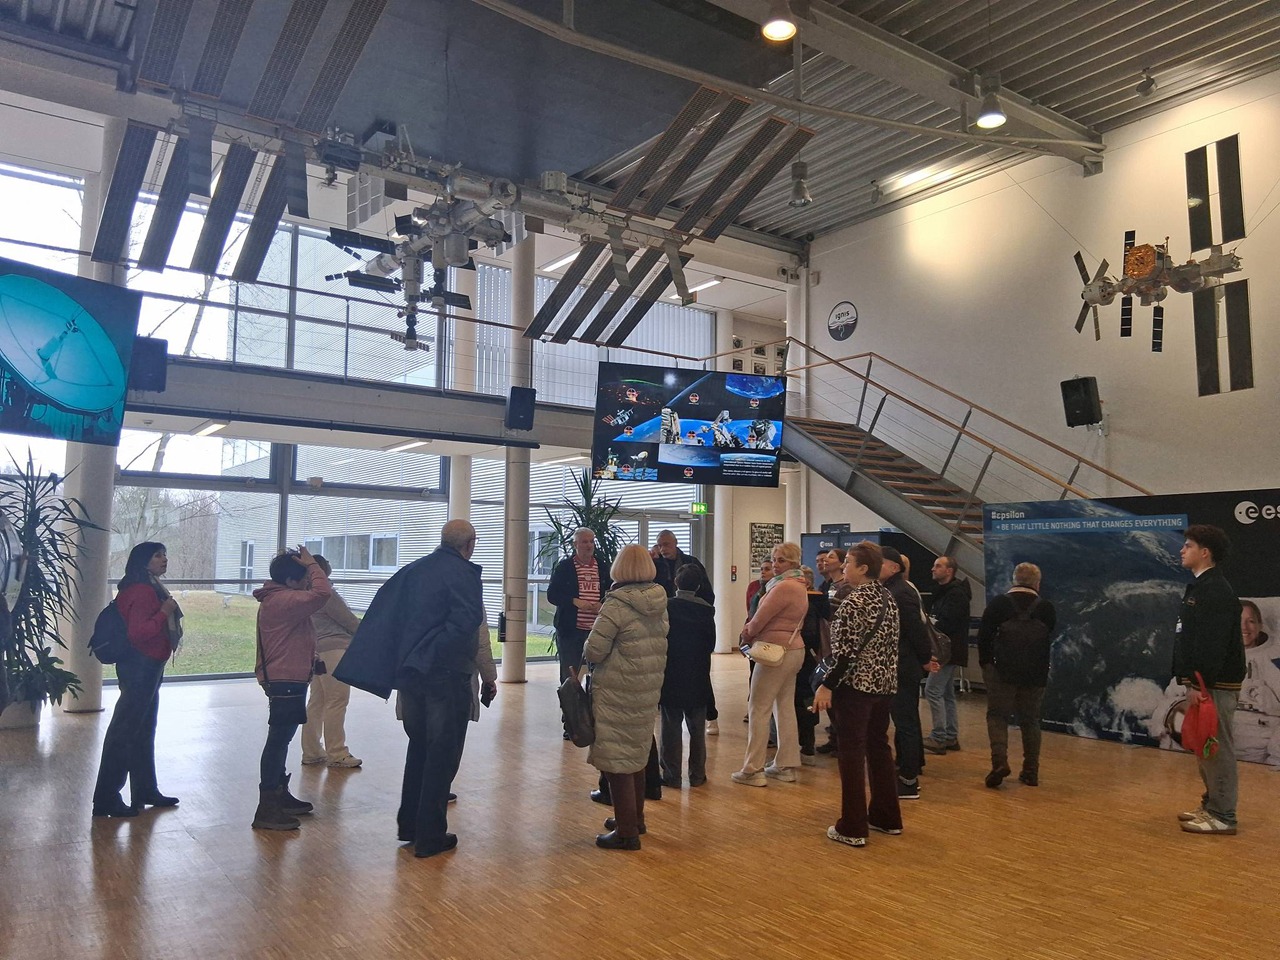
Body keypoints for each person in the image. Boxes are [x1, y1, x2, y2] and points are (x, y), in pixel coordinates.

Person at [334, 520, 483, 857]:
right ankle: (430, 836)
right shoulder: (463, 574)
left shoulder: (414, 571)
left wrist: (414, 656)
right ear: (469, 545)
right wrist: (433, 652)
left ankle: (410, 825)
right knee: (441, 754)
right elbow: (466, 623)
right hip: (444, 675)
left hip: (412, 676)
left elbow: (390, 617)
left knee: (419, 748)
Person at [812, 541, 901, 848]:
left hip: (856, 689)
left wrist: (827, 685)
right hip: (884, 686)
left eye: (848, 562)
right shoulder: (888, 598)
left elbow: (845, 655)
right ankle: (887, 817)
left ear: (863, 569)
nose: (843, 566)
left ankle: (852, 825)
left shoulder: (853, 602)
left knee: (851, 753)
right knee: (879, 748)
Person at [584, 544, 669, 850]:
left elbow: (594, 650)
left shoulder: (616, 605)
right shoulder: (659, 600)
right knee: (636, 755)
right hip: (646, 687)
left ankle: (626, 832)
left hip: (617, 689)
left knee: (617, 759)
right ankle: (634, 818)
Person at [92, 542, 184, 818]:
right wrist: (164, 612)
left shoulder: (148, 586)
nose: (164, 559)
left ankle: (145, 789)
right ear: (143, 561)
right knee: (125, 732)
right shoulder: (143, 591)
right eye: (157, 555)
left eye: (165, 554)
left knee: (143, 729)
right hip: (140, 666)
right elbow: (139, 632)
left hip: (147, 665)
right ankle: (107, 797)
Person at [251, 546, 332, 830]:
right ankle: (267, 807)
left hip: (288, 676)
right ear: (290, 581)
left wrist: (312, 659)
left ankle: (278, 794)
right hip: (285, 678)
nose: (309, 584)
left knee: (281, 739)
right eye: (304, 579)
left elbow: (296, 635)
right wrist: (312, 565)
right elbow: (323, 593)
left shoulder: (279, 598)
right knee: (278, 740)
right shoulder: (284, 600)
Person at [1171, 525, 1244, 835]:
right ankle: (1211, 804)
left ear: (1205, 552)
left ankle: (1223, 815)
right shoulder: (1202, 588)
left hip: (1213, 685)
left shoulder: (1215, 591)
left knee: (1217, 748)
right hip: (1204, 683)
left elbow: (1212, 644)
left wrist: (1197, 683)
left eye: (1188, 545)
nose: (1182, 550)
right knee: (1205, 747)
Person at [732, 541, 808, 786]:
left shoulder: (783, 587)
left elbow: (759, 619)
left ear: (793, 562)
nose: (775, 565)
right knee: (784, 707)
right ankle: (785, 765)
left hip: (774, 652)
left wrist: (746, 635)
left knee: (759, 708)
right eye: (774, 560)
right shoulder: (800, 584)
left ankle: (752, 769)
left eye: (781, 560)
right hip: (794, 649)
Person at [976, 562, 1057, 789]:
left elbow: (984, 637)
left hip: (1002, 671)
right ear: (1037, 584)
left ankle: (999, 762)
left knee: (997, 716)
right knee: (1030, 720)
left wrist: (986, 665)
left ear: (1014, 580)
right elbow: (1050, 632)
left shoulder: (999, 604)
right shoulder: (1046, 608)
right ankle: (1031, 771)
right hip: (1035, 672)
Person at [546, 528, 612, 738]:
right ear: (575, 544)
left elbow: (612, 591)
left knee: (599, 677)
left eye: (591, 541)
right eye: (584, 542)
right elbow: (552, 595)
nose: (589, 545)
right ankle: (571, 725)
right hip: (570, 630)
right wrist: (575, 602)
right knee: (570, 678)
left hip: (597, 630)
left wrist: (602, 604)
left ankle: (595, 722)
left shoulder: (603, 566)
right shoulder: (565, 567)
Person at [878, 546, 932, 800]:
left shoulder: (900, 592)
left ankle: (909, 779)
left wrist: (925, 659)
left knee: (905, 721)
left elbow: (915, 629)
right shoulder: (893, 589)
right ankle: (908, 768)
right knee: (904, 720)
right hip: (901, 663)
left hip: (903, 664)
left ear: (894, 567)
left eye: (880, 562)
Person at [300, 555, 363, 768]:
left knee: (316, 702)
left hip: (316, 652)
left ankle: (311, 751)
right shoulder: (326, 594)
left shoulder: (303, 594)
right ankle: (337, 752)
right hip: (335, 651)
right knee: (337, 701)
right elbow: (348, 620)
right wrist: (367, 631)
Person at [658, 564, 716, 788]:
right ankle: (697, 775)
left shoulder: (667, 607)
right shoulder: (706, 611)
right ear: (699, 586)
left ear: (675, 582)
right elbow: (710, 644)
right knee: (697, 729)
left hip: (672, 673)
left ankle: (671, 775)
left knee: (670, 728)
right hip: (698, 675)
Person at [923, 556, 972, 754]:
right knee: (946, 693)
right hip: (950, 650)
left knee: (932, 690)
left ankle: (939, 736)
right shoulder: (947, 593)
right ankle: (950, 735)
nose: (932, 569)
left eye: (938, 566)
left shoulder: (955, 595)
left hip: (946, 651)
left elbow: (948, 623)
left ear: (949, 571)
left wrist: (931, 623)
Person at [1237, 600, 1280, 764]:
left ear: (1260, 625)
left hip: (1265, 751)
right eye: (1238, 621)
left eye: (1251, 621)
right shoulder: (1213, 658)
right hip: (1217, 744)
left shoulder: (1274, 659)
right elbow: (1176, 696)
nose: (1244, 627)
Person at [796, 565, 830, 765]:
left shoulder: (810, 603)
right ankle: (805, 744)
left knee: (802, 701)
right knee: (805, 701)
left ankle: (806, 746)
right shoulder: (820, 601)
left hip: (806, 658)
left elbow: (809, 634)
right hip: (810, 658)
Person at [652, 529, 713, 604]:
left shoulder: (691, 562)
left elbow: (707, 592)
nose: (663, 549)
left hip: (689, 607)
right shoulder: (655, 564)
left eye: (666, 544)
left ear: (675, 542)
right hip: (662, 607)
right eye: (659, 546)